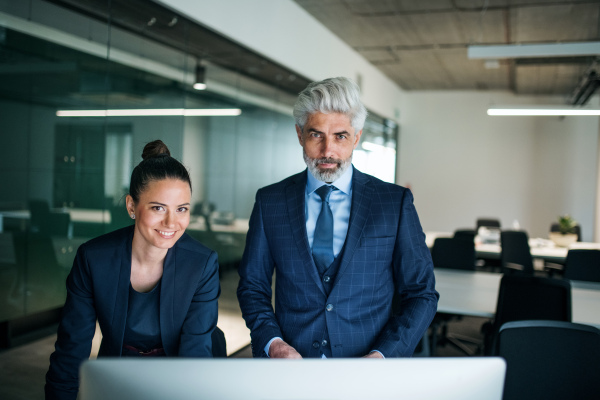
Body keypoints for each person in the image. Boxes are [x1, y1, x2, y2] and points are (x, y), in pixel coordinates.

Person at [237, 77, 438, 358]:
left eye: (340, 136)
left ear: (356, 137)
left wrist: (384, 355)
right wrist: (274, 344)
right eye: (316, 134)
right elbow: (252, 287)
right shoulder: (270, 201)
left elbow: (421, 294)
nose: (327, 151)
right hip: (289, 369)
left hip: (368, 368)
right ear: (299, 134)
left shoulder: (394, 203)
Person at [45, 140, 221, 400]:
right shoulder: (94, 258)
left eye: (181, 209)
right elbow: (72, 349)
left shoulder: (201, 263)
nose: (171, 222)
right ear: (131, 206)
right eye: (158, 208)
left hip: (179, 376)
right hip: (117, 372)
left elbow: (194, 356)